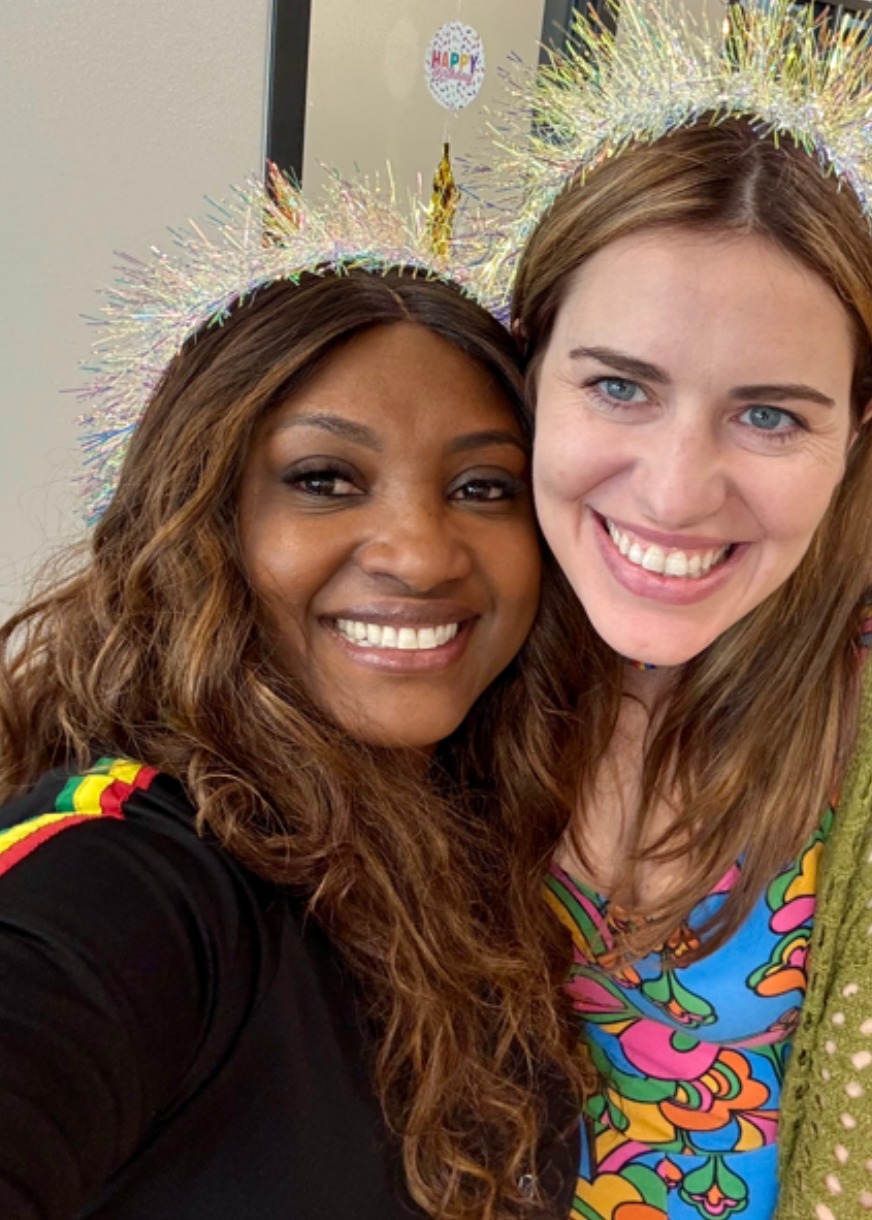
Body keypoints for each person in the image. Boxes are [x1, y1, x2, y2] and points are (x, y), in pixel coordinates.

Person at [477, 1, 872, 1217]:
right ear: (530, 367)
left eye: (768, 414)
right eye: (619, 386)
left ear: (860, 423)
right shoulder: (463, 606)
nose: (674, 491)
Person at [0, 175, 583, 1219]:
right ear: (201, 518)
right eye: (324, 479)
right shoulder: (134, 865)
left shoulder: (499, 838)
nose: (420, 553)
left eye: (484, 487)